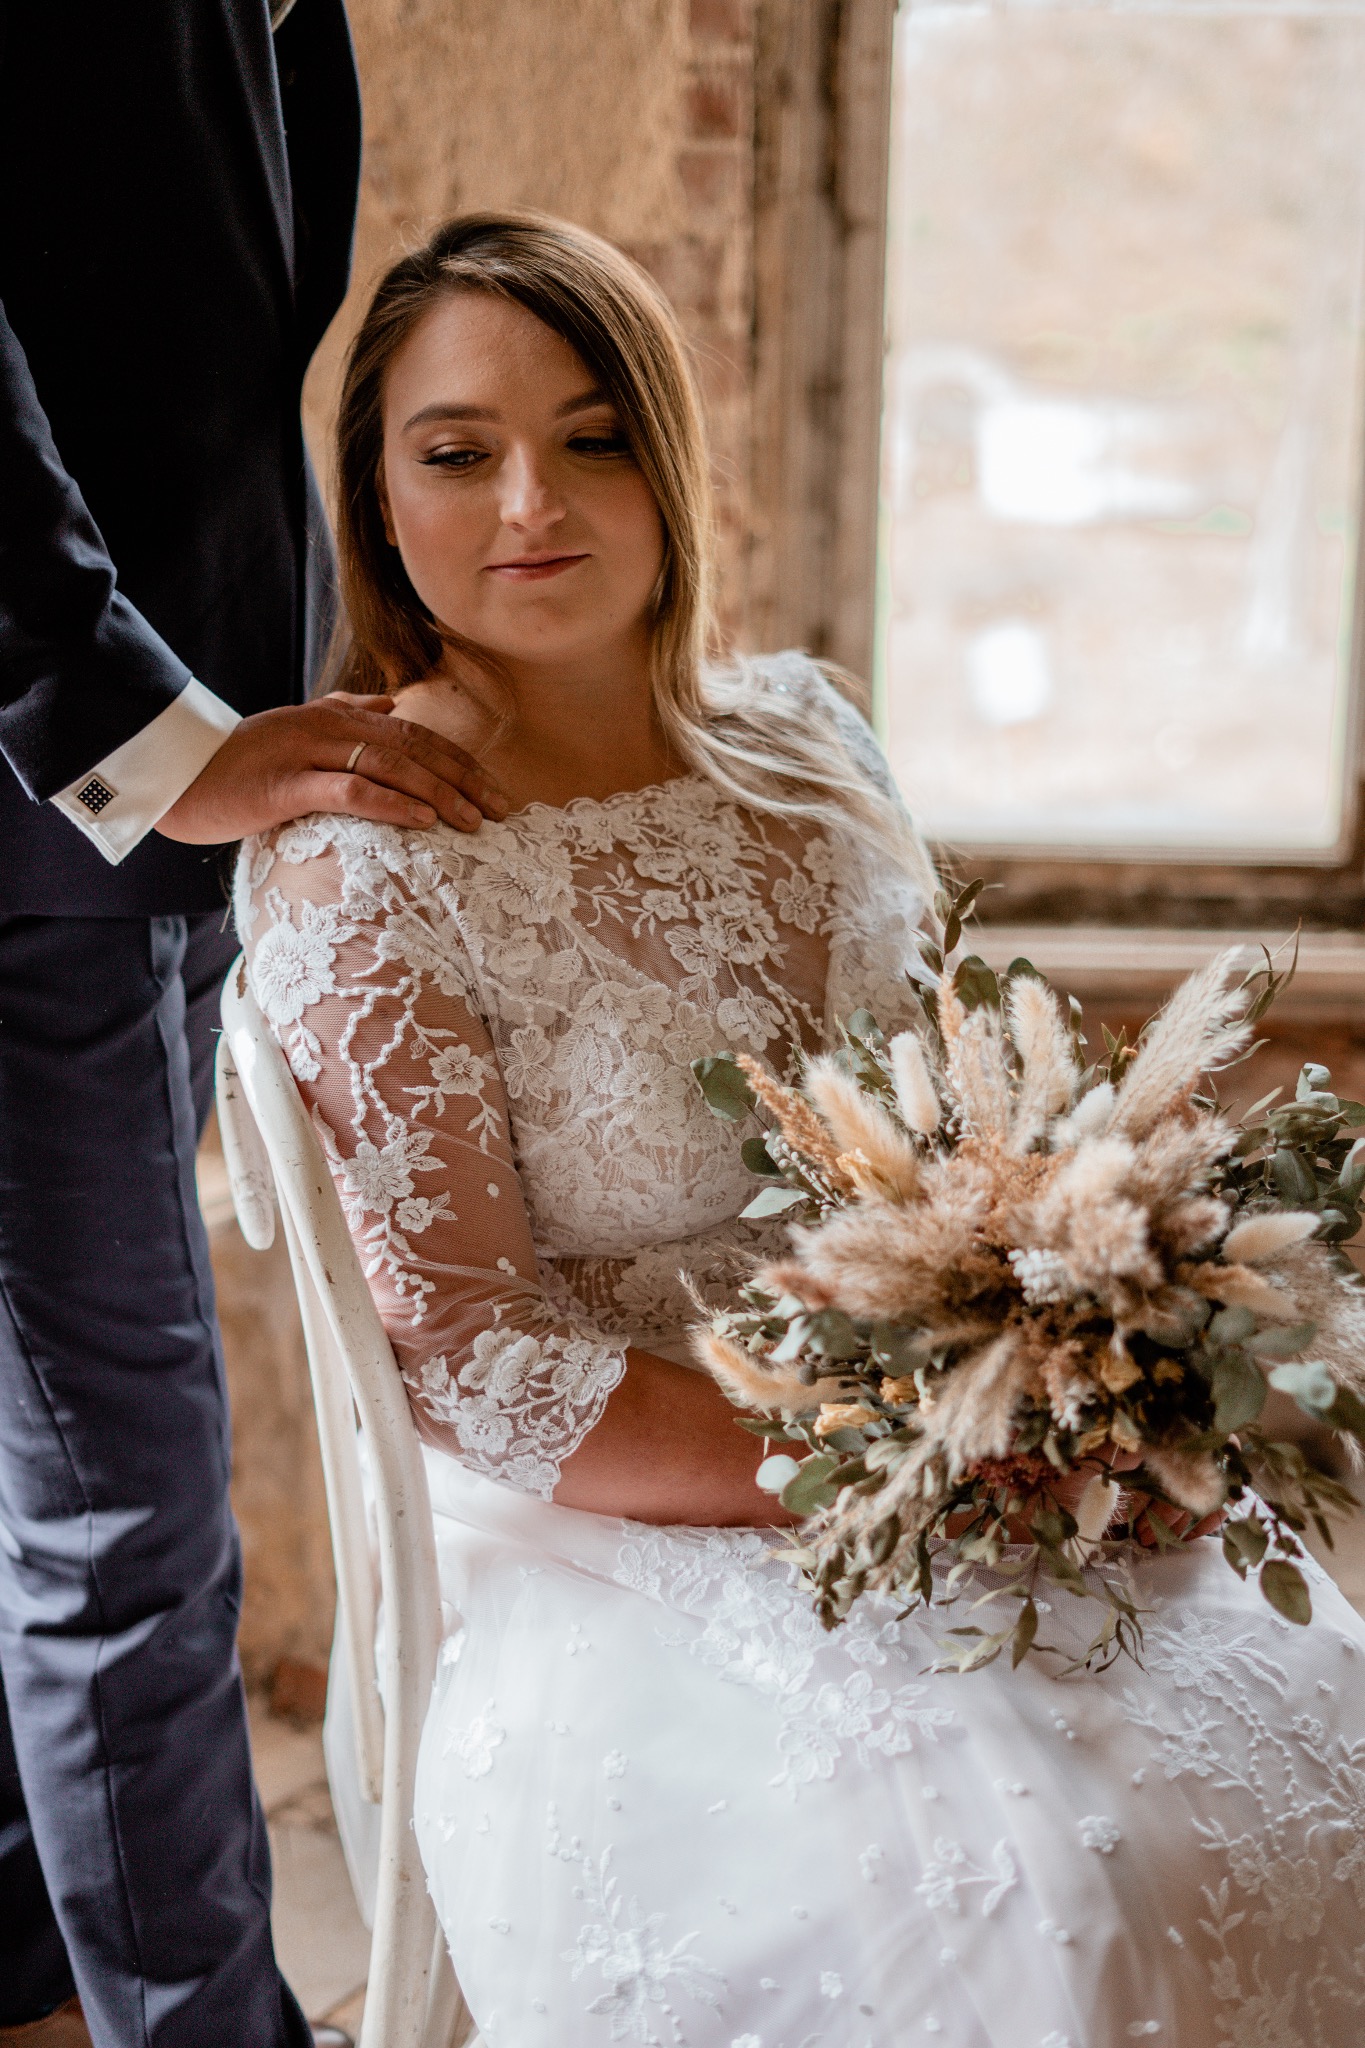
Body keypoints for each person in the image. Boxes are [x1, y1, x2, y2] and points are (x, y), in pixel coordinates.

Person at [239, 212, 1365, 2048]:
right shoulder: (368, 858)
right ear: (376, 498)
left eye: (594, 435)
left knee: (1307, 1729)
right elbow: (471, 1357)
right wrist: (878, 1463)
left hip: (963, 1422)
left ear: (670, 465)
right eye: (457, 452)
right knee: (1052, 1878)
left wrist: (1076, 1364)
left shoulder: (812, 735)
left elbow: (962, 1131)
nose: (531, 498)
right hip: (620, 1503)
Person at [0, 8, 505, 2044]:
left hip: (199, 761)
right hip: (63, 795)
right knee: (127, 1504)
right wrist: (131, 736)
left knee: (57, 1441)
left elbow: (201, 341)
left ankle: (31, 1943)